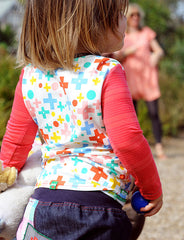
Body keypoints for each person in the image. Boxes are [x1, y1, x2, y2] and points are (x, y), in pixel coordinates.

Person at [0, 1, 163, 240]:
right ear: (93, 24)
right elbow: (128, 141)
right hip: (99, 207)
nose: (124, 20)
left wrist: (4, 177)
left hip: (43, 207)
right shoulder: (106, 71)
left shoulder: (30, 76)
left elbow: (15, 145)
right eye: (118, 14)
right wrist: (151, 189)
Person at [113, 3, 167, 160]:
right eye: (132, 15)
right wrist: (127, 52)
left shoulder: (147, 33)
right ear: (127, 18)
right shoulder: (122, 35)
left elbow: (159, 50)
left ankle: (159, 147)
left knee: (154, 112)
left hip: (147, 77)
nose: (135, 17)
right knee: (132, 116)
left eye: (138, 15)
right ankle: (135, 150)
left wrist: (156, 55)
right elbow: (116, 57)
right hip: (131, 78)